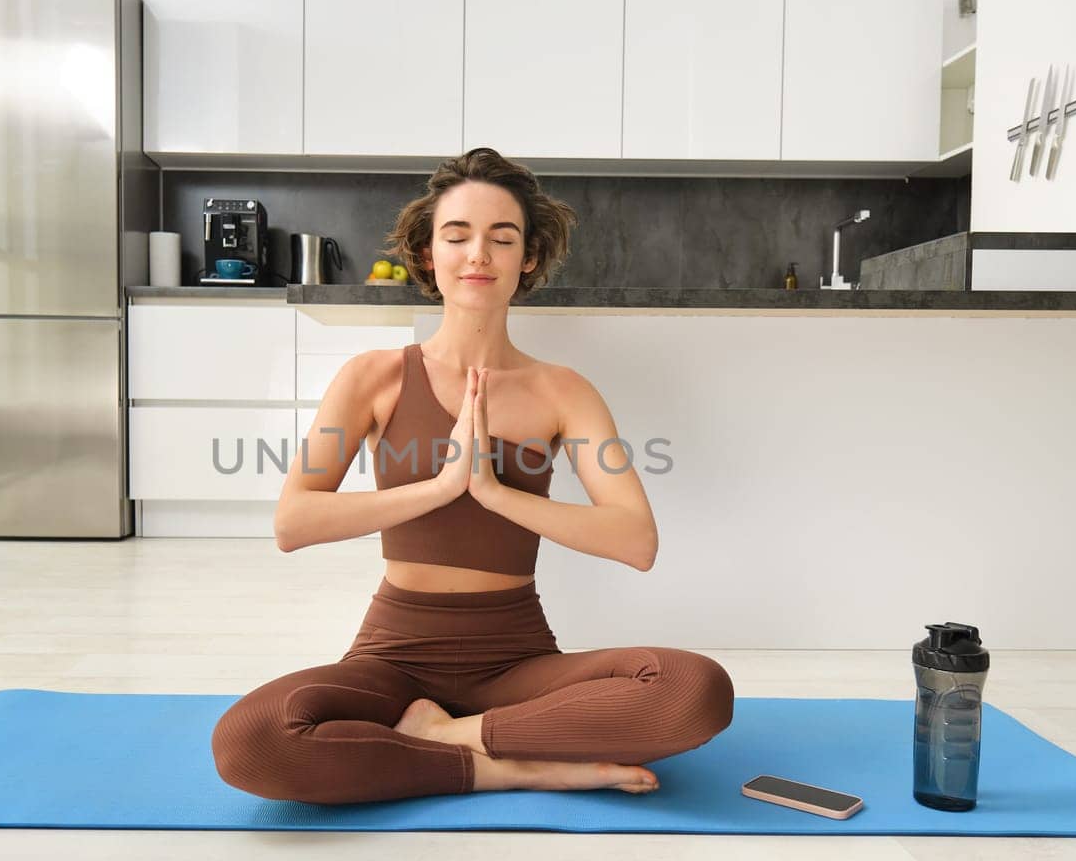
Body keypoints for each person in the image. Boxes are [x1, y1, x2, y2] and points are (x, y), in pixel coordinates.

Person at [210, 148, 734, 804]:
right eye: (457, 236)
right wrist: (439, 486)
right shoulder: (372, 377)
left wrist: (493, 492)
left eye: (502, 238)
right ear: (428, 254)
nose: (478, 254)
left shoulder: (563, 391)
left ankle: (451, 735)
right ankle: (506, 762)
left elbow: (636, 540)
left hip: (517, 660)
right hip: (392, 656)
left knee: (694, 688)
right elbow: (293, 521)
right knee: (250, 739)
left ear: (530, 257)